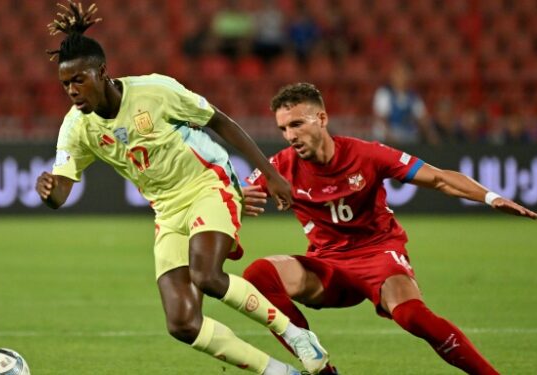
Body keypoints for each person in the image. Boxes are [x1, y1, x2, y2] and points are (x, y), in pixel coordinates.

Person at [34, 3, 331, 375]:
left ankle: (296, 335)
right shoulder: (76, 127)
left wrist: (269, 173)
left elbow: (220, 122)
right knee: (182, 323)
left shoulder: (155, 91)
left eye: (79, 79)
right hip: (167, 209)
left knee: (206, 276)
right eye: (65, 84)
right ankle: (276, 371)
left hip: (207, 184)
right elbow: (60, 192)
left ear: (102, 72)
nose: (73, 91)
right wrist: (47, 190)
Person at [241, 83, 537, 374]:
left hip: (378, 254)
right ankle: (318, 365)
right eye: (283, 129)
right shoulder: (278, 166)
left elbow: (438, 178)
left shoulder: (366, 154)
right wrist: (237, 201)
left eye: (296, 124)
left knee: (412, 316)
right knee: (258, 275)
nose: (290, 136)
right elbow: (229, 193)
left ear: (321, 118)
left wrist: (490, 197)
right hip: (327, 264)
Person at [372, 61, 437, 145]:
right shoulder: (384, 93)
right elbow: (380, 118)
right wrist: (390, 136)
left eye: (405, 75)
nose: (402, 78)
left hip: (407, 137)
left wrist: (431, 134)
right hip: (388, 138)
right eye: (399, 75)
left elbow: (422, 118)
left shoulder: (413, 97)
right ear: (393, 76)